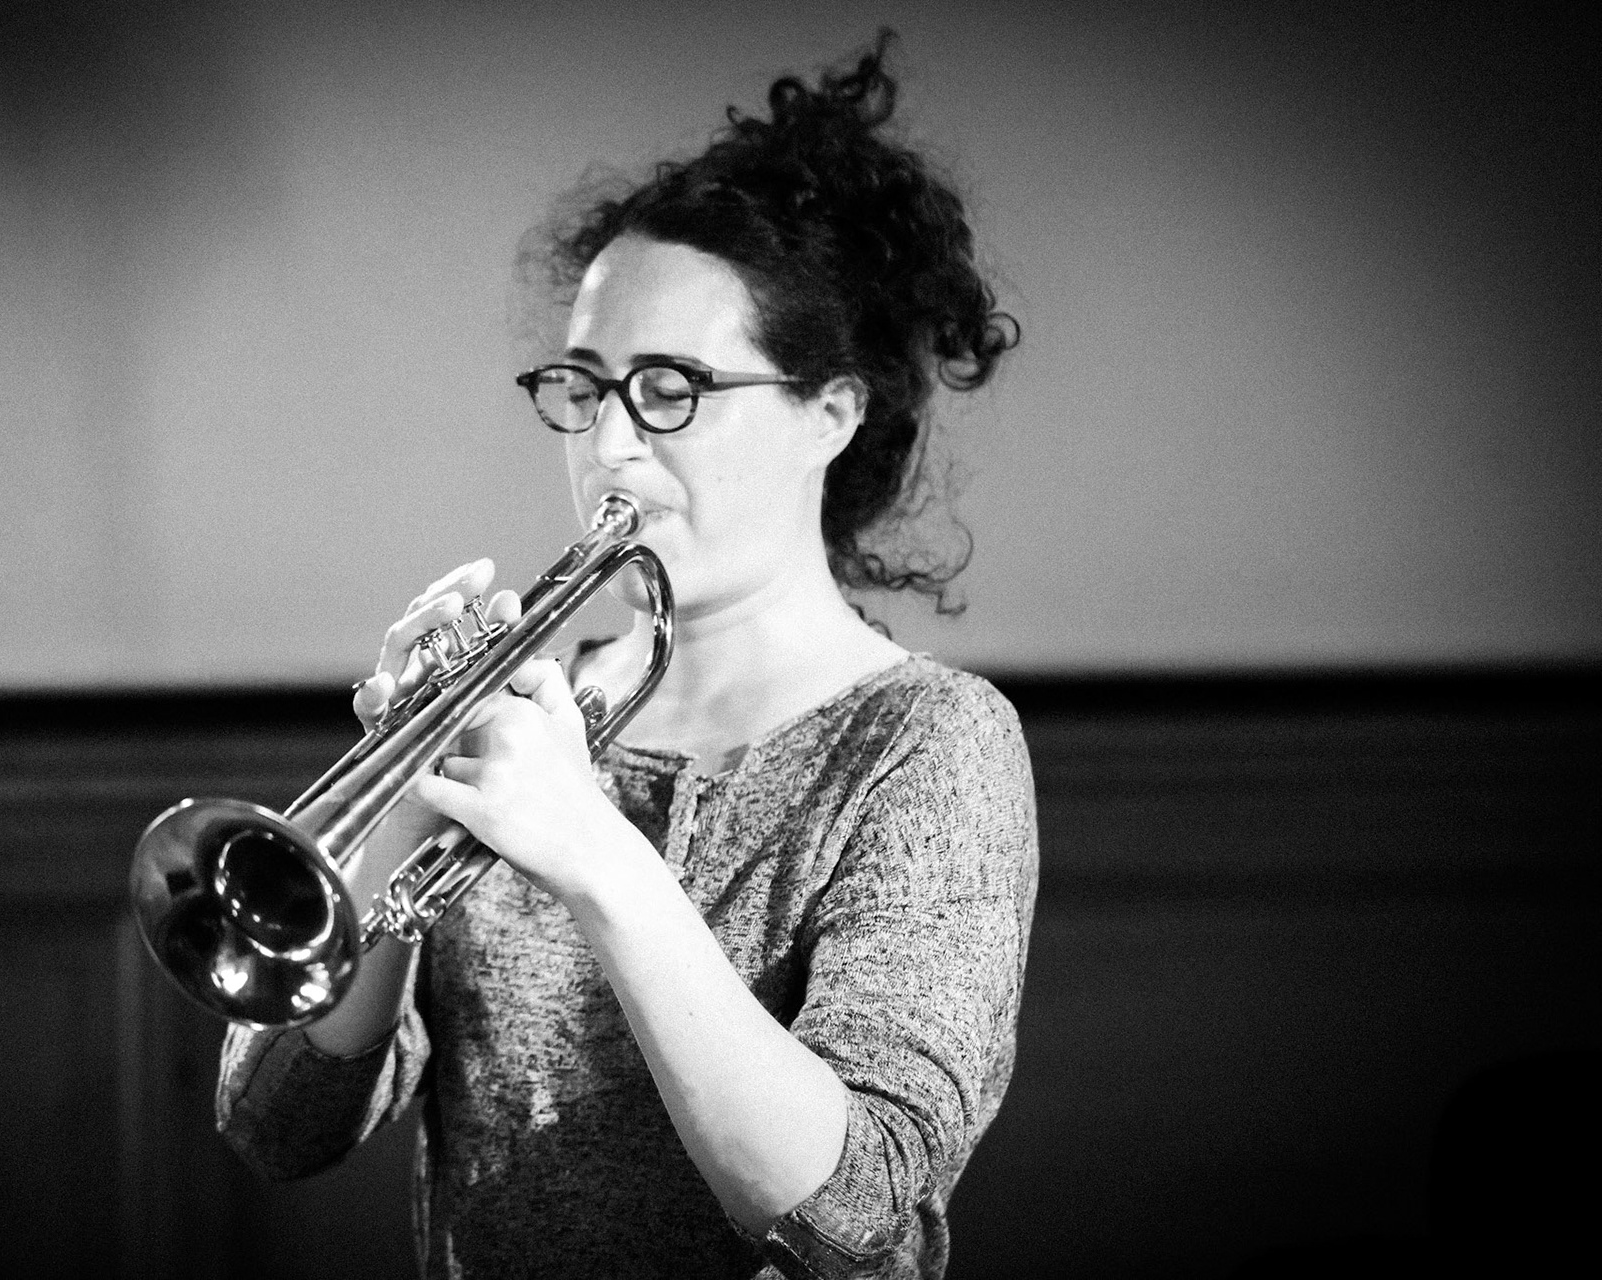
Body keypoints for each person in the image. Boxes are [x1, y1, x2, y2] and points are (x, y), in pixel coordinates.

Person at [216, 36, 1036, 1280]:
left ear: (831, 411)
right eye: (584, 386)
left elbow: (860, 1221)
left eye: (669, 388)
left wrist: (598, 849)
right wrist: (403, 788)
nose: (608, 443)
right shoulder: (526, 709)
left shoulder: (928, 743)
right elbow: (274, 1124)